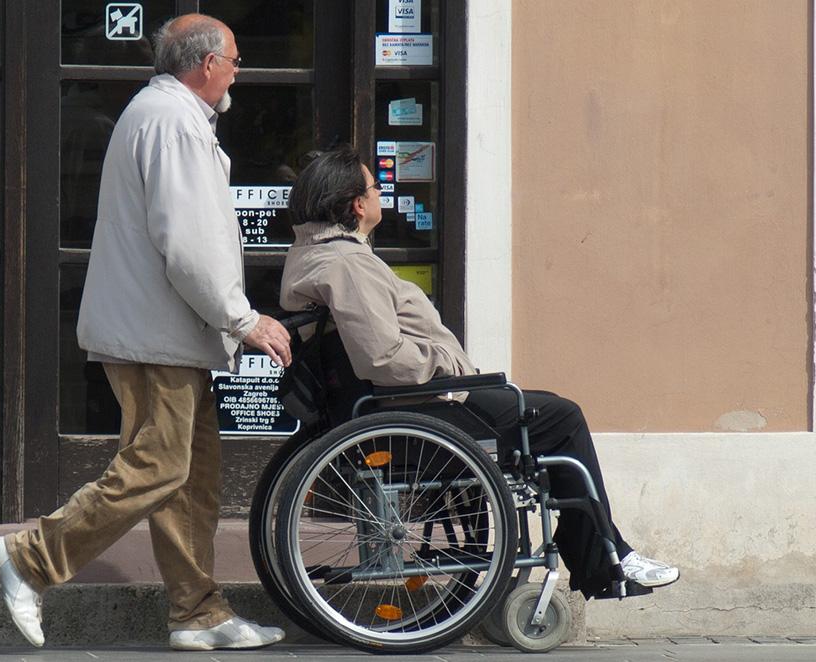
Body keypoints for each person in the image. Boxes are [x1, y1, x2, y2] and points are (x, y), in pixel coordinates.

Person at [0, 14, 293, 650]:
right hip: (157, 334)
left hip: (165, 332)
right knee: (158, 466)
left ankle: (198, 613)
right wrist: (243, 317)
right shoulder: (174, 121)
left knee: (190, 477)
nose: (239, 71)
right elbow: (188, 243)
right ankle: (31, 557)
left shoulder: (166, 116)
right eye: (235, 60)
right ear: (206, 64)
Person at [278, 147, 679, 599]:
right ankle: (604, 553)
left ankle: (599, 547)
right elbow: (383, 359)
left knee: (543, 412)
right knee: (561, 418)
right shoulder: (348, 264)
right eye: (375, 187)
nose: (380, 195)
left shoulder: (315, 256)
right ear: (356, 204)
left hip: (404, 405)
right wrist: (450, 367)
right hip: (419, 407)